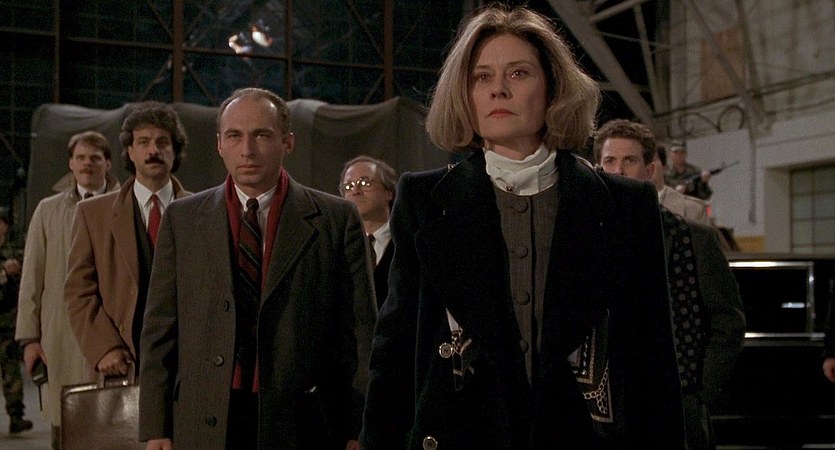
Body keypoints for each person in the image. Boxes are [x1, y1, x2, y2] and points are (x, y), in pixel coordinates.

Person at [360, 5, 684, 449]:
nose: (498, 89)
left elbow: (654, 358)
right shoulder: (424, 199)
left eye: (518, 73)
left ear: (553, 88)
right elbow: (394, 350)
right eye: (482, 77)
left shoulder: (626, 205)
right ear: (465, 95)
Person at [138, 87, 377, 450]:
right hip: (204, 416)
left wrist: (358, 426)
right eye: (234, 136)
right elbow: (160, 329)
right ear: (220, 144)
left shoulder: (336, 219)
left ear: (288, 142)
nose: (247, 150)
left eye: (262, 135)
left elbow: (360, 331)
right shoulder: (182, 219)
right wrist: (156, 427)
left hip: (304, 421)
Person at [594, 118, 746, 450]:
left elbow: (728, 321)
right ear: (597, 169)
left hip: (676, 407)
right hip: (605, 412)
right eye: (609, 161)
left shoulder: (694, 238)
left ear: (650, 170)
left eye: (629, 160)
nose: (618, 170)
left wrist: (698, 392)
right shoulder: (583, 241)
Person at [65, 102, 190, 378]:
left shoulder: (202, 212)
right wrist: (104, 347)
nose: (153, 150)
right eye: (143, 142)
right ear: (130, 152)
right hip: (124, 359)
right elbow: (78, 290)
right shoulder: (93, 214)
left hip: (188, 360)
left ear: (175, 150)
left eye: (162, 142)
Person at [15, 131, 120, 447]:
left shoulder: (124, 205)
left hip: (112, 333)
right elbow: (32, 277)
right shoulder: (48, 210)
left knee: (115, 424)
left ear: (108, 163)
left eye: (95, 158)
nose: (87, 164)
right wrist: (30, 339)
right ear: (71, 163)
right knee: (64, 424)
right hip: (59, 335)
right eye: (81, 157)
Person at [339, 155, 397, 309]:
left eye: (365, 183)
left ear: (388, 192)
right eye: (348, 187)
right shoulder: (337, 247)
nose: (355, 191)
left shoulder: (406, 241)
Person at [0, 210, 31, 435]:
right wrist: (3, 271)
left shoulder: (14, 249)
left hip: (9, 322)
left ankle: (16, 415)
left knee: (11, 370)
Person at [654, 145, 710, 226]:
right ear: (670, 155)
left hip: (690, 211)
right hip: (669, 206)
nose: (678, 156)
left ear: (686, 154)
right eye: (676, 153)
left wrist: (704, 182)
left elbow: (705, 195)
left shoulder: (695, 171)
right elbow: (660, 189)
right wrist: (674, 192)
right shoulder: (665, 171)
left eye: (681, 153)